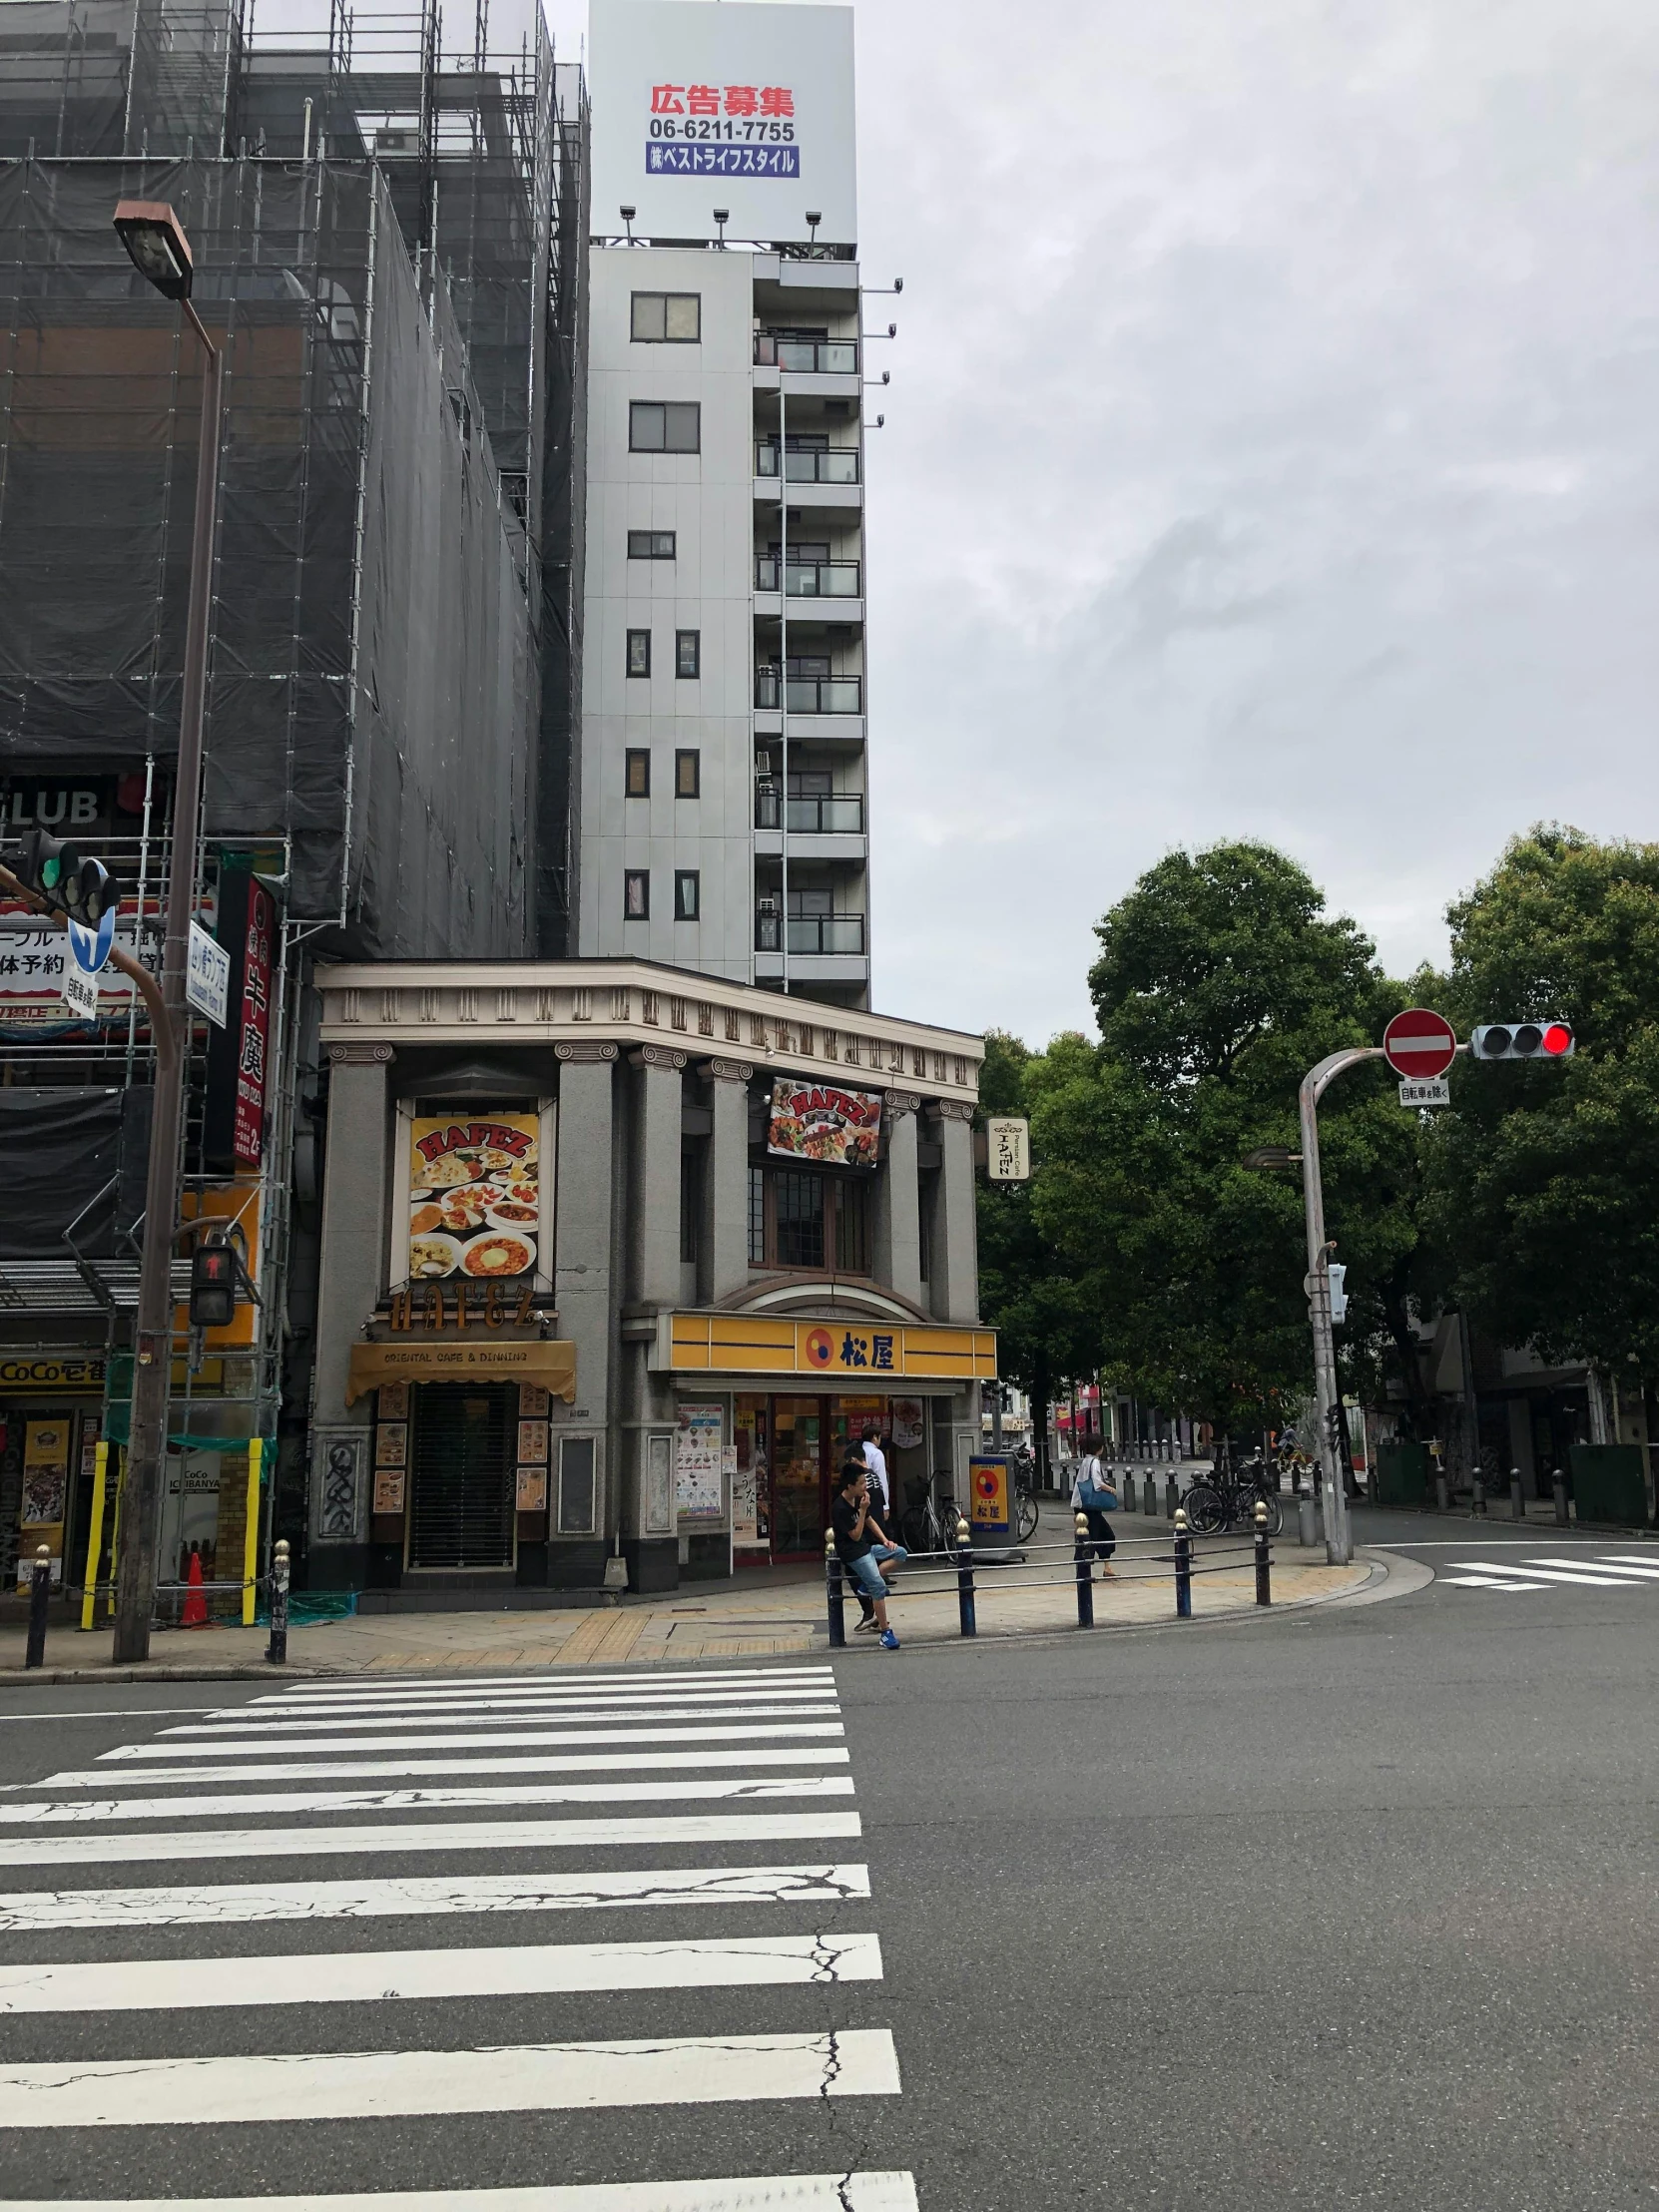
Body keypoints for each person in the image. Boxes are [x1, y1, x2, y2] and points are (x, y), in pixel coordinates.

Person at [831, 1457, 906, 1647]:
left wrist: (885, 1540)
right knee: (879, 1587)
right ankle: (885, 1632)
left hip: (866, 1547)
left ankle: (867, 1585)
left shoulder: (859, 1498)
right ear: (850, 1486)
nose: (865, 1486)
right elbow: (855, 1536)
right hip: (852, 1552)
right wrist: (863, 1511)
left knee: (900, 1553)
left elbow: (871, 1521)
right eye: (862, 1483)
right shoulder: (839, 1507)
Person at [1070, 1430, 1117, 1579]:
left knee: (1099, 1534)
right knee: (1095, 1536)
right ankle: (1084, 1572)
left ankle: (1107, 1567)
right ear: (1099, 1447)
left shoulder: (1086, 1460)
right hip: (1089, 1506)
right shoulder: (1094, 1461)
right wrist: (1110, 1489)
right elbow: (1097, 1483)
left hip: (1081, 1503)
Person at [860, 1426, 889, 1520]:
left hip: (859, 1494)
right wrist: (885, 1506)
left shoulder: (858, 1451)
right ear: (874, 1437)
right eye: (879, 1437)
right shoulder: (877, 1453)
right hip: (874, 1497)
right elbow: (881, 1480)